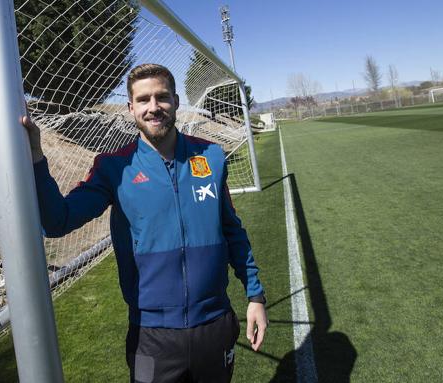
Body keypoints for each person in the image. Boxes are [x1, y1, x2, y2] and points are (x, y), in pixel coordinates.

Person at [23, 63, 267, 383]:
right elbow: (58, 222)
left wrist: (255, 297)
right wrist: (37, 158)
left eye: (162, 97)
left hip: (215, 324)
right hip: (152, 335)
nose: (154, 107)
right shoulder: (113, 167)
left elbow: (232, 231)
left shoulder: (211, 156)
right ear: (130, 108)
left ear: (176, 101)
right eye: (143, 100)